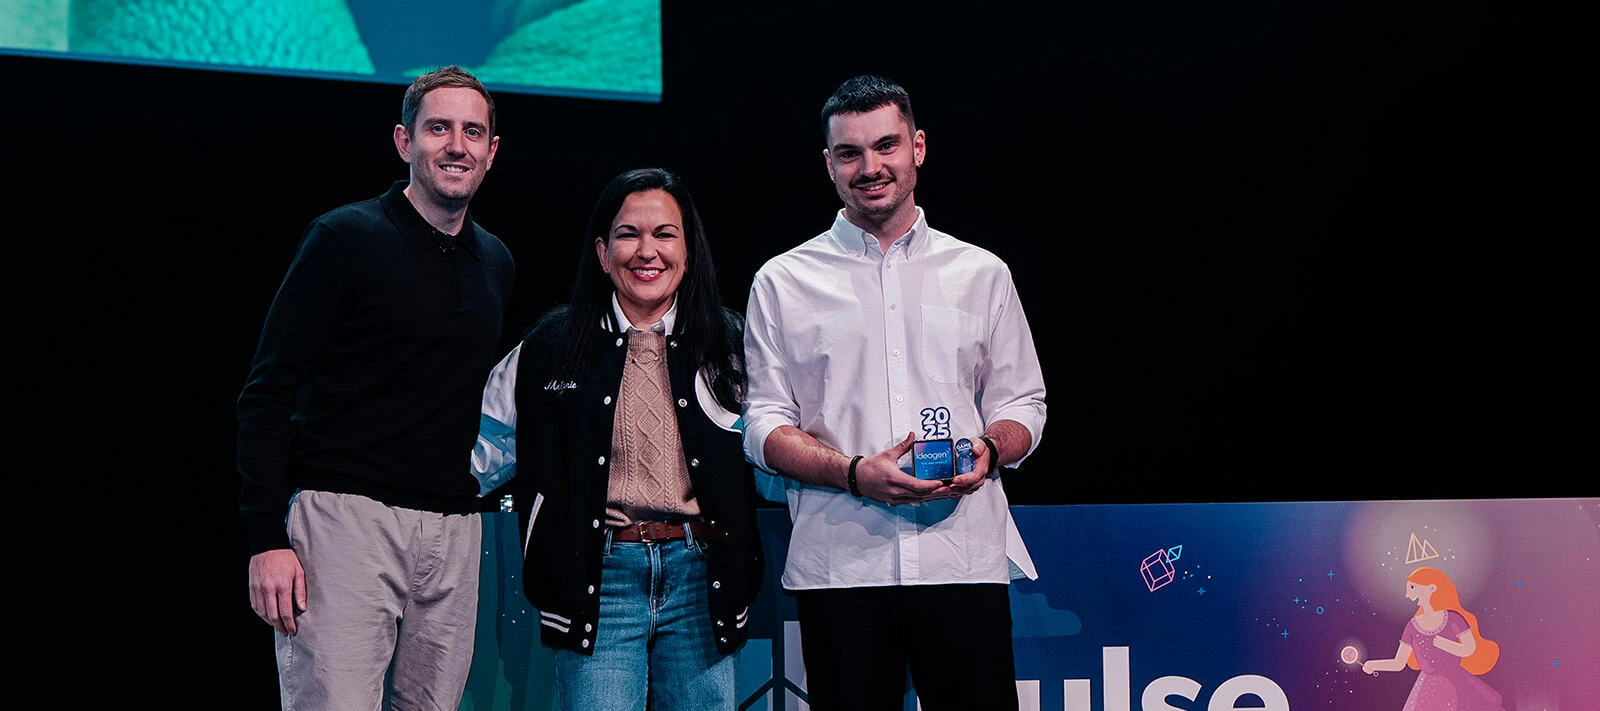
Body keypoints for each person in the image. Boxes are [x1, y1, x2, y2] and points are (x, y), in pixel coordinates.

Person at [740, 73, 1049, 710]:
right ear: (828, 164)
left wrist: (989, 450)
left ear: (919, 148)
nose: (870, 167)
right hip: (842, 565)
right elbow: (763, 424)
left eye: (887, 146)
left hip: (960, 559)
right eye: (849, 153)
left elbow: (1024, 404)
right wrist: (856, 474)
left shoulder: (981, 273)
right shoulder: (783, 280)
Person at [236, 65, 515, 709]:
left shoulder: (495, 262)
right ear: (403, 141)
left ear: (491, 152)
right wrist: (265, 540)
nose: (456, 145)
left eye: (473, 132)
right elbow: (267, 391)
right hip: (344, 521)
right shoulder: (345, 238)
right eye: (438, 128)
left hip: (454, 530)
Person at [473, 167, 764, 710]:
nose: (646, 251)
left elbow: (774, 448)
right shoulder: (550, 346)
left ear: (689, 252)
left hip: (704, 580)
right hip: (598, 584)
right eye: (629, 234)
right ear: (604, 254)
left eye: (665, 234)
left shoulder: (731, 341)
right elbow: (481, 454)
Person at [1362, 566, 1505, 710]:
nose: (1407, 594)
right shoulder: (1412, 627)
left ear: (1431, 588)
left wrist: (1446, 645)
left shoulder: (1453, 619)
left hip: (1457, 683)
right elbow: (1399, 663)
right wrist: (1373, 665)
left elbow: (1470, 648)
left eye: (1412, 587)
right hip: (1428, 689)